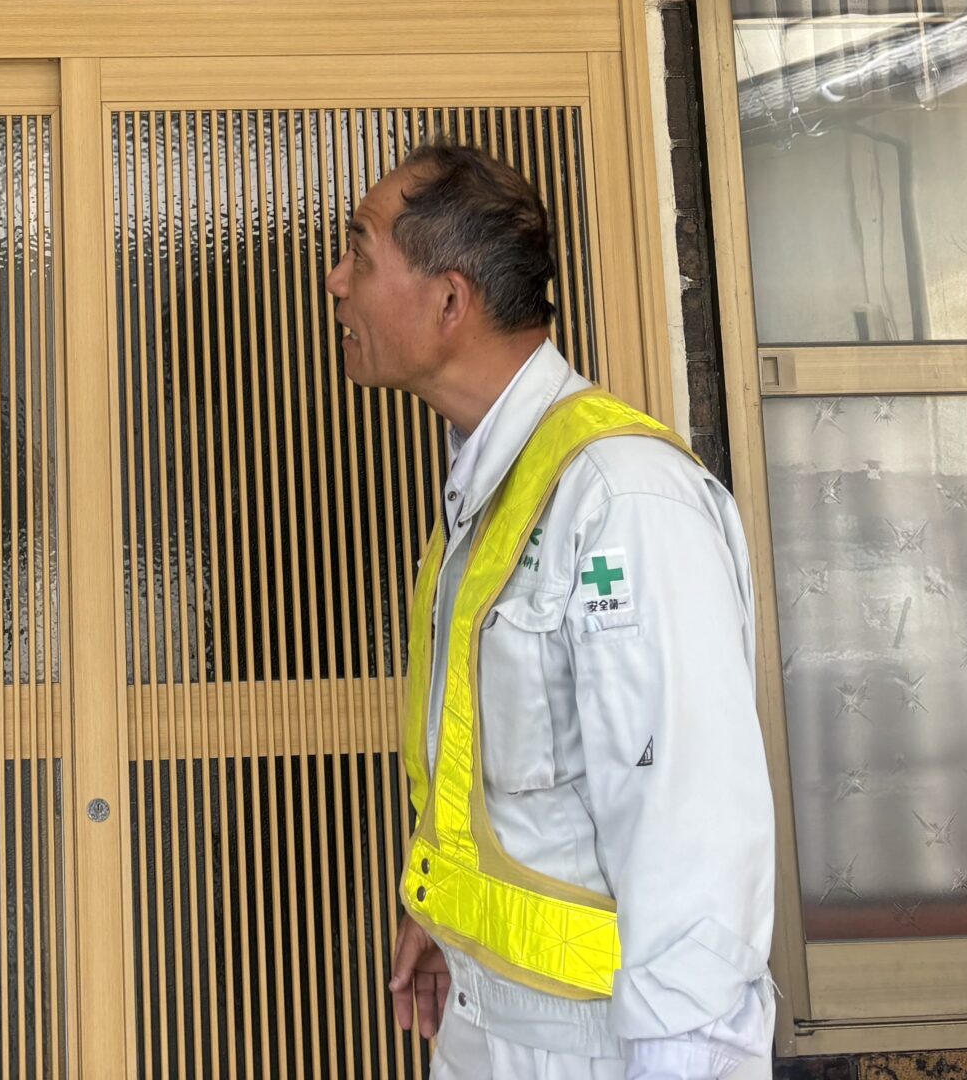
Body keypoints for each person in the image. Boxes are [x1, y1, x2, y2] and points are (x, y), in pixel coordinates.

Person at [327, 139, 775, 1080]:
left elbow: (689, 827)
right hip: (491, 1022)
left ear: (450, 301)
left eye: (360, 253)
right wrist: (451, 918)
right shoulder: (492, 490)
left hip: (601, 1047)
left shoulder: (622, 498)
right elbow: (519, 787)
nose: (336, 282)